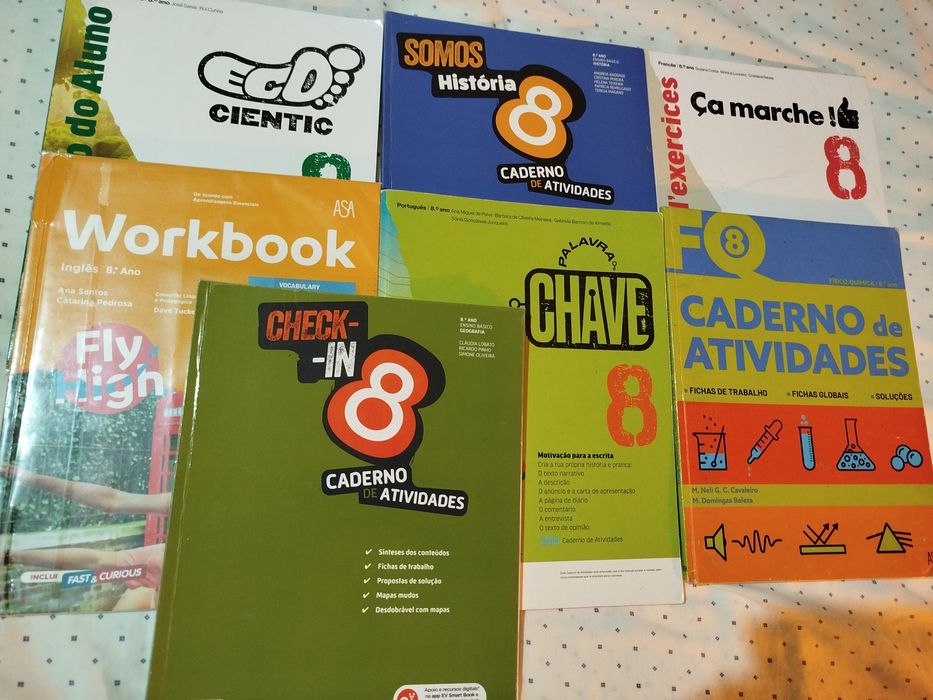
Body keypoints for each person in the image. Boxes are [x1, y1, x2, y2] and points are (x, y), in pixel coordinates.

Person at [2, 464, 171, 611]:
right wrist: (35, 480)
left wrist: (12, 556)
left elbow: (113, 502)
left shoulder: (164, 558)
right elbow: (112, 501)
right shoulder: (163, 557)